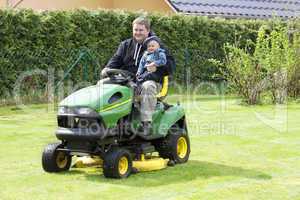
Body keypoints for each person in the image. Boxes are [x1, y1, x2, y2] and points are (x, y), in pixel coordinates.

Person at [101, 16, 174, 135]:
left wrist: (157, 67)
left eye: (141, 30)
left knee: (148, 86)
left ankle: (146, 123)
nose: (137, 33)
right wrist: (107, 68)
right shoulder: (125, 45)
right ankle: (102, 119)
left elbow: (171, 65)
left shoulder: (156, 46)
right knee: (102, 84)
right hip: (126, 79)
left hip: (150, 79)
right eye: (135, 30)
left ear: (147, 31)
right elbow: (116, 59)